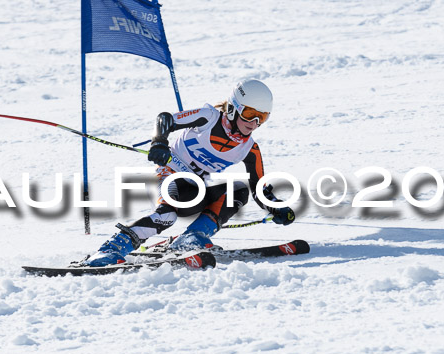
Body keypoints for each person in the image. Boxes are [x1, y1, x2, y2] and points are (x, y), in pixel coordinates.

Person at [79, 78, 295, 267]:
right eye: (249, 114)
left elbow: (259, 187)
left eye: (262, 117)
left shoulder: (249, 149)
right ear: (233, 108)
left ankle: (192, 237)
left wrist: (276, 207)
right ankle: (111, 248)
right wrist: (159, 144)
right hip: (168, 177)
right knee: (167, 216)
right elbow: (165, 120)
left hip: (195, 190)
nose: (254, 123)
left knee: (238, 190)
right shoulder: (209, 117)